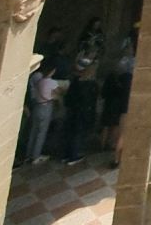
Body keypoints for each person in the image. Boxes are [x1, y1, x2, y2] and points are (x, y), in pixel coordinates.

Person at [64, 31, 102, 164]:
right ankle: (73, 155)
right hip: (81, 110)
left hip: (74, 109)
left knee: (71, 130)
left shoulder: (76, 83)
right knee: (77, 132)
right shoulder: (86, 84)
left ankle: (67, 154)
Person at [99, 34, 135, 167]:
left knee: (116, 130)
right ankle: (117, 158)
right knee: (123, 134)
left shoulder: (116, 80)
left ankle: (108, 149)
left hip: (116, 106)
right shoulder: (129, 84)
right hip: (125, 109)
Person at [22, 58, 61, 164]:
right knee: (41, 132)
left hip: (37, 107)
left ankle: (28, 154)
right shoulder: (52, 83)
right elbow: (57, 94)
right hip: (46, 106)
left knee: (33, 131)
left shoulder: (39, 81)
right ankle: (36, 156)